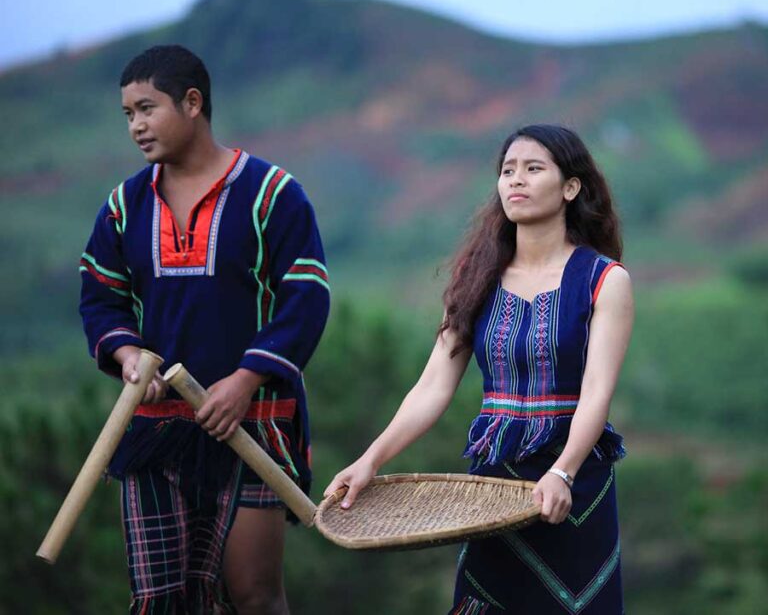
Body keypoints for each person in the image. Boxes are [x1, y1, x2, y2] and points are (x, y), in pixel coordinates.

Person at [326, 124, 633, 613]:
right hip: (490, 486)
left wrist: (563, 473)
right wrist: (371, 460)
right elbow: (432, 387)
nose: (517, 180)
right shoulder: (477, 278)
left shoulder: (605, 280)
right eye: (508, 170)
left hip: (574, 480)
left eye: (534, 169)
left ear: (571, 187)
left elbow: (596, 392)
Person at [79, 45, 330, 614]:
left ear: (192, 103)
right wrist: (127, 356)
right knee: (162, 602)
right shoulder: (123, 206)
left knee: (253, 595)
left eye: (147, 108)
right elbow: (101, 298)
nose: (137, 126)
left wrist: (244, 380)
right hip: (154, 431)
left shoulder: (271, 196)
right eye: (127, 115)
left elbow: (306, 296)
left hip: (254, 425)